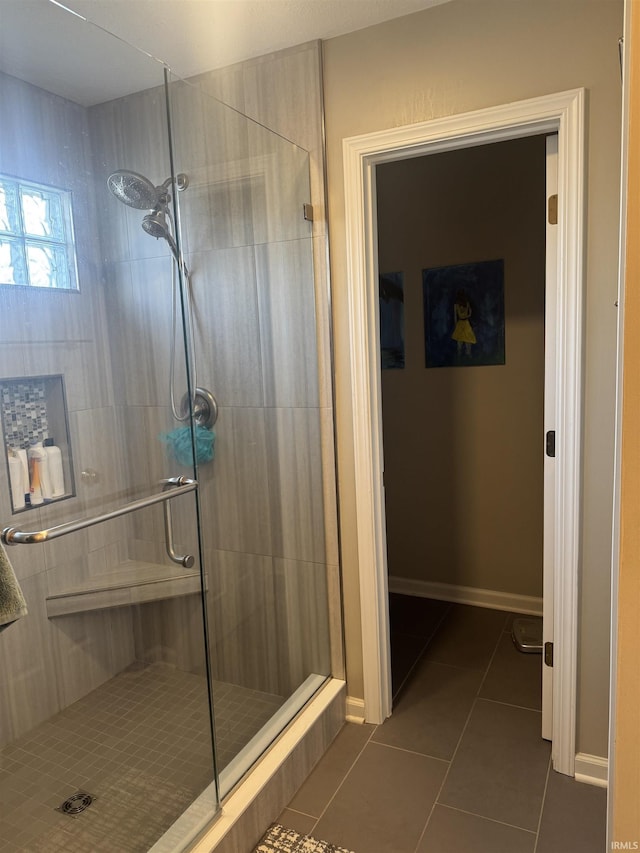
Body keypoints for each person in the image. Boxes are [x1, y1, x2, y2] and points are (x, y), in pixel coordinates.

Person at [452, 289, 476, 356]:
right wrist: (467, 315)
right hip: (466, 322)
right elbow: (470, 313)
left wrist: (455, 324)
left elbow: (455, 316)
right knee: (468, 339)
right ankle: (468, 354)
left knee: (460, 340)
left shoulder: (456, 305)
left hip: (460, 322)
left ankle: (460, 354)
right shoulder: (467, 303)